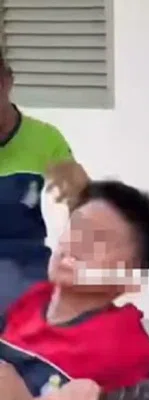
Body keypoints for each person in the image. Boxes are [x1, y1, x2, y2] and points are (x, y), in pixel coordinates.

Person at [0, 180, 149, 400]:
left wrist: (93, 392)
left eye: (99, 240)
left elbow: (147, 396)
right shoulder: (31, 300)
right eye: (76, 227)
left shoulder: (122, 341)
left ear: (131, 280)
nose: (76, 244)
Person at [0, 51, 89, 312]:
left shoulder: (45, 139)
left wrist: (78, 256)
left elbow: (81, 201)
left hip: (24, 259)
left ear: (6, 82)